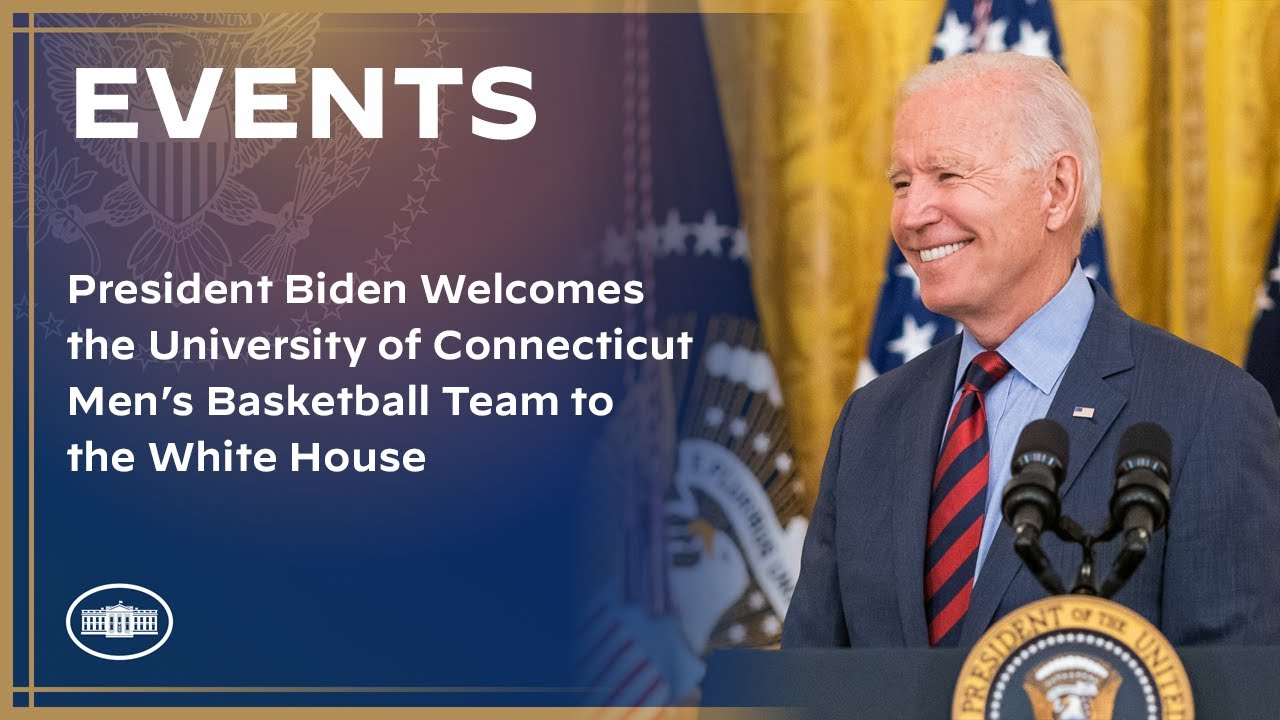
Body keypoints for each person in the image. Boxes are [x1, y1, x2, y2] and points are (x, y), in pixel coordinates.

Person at [782, 52, 1280, 649]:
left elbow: (1235, 692)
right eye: (901, 183)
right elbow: (809, 683)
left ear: (1057, 191)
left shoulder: (1210, 413)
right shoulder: (869, 421)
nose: (912, 215)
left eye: (948, 175)